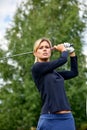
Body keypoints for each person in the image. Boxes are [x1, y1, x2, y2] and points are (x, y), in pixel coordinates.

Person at [31, 37, 78, 130]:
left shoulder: (55, 74)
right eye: (41, 48)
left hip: (67, 118)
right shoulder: (36, 68)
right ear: (35, 53)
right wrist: (63, 50)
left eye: (47, 47)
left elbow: (74, 72)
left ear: (50, 51)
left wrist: (72, 53)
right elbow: (63, 60)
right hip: (49, 119)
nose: (44, 49)